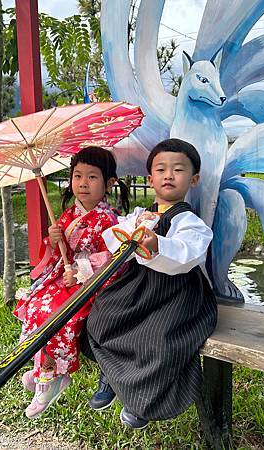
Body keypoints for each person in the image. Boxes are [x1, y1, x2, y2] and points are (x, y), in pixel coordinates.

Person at [85, 138, 217, 429]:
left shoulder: (190, 222)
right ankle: (110, 375)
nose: (169, 175)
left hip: (177, 293)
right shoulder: (139, 214)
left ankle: (143, 400)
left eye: (178, 169)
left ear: (193, 179)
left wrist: (157, 243)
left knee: (160, 338)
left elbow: (187, 254)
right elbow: (113, 236)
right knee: (101, 317)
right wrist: (136, 226)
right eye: (161, 169)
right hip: (140, 286)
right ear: (150, 178)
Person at [14, 146, 130, 419]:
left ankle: (54, 377)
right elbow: (58, 253)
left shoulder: (108, 219)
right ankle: (41, 367)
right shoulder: (68, 215)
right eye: (77, 176)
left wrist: (80, 270)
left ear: (109, 183)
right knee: (34, 305)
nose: (82, 183)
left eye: (92, 177)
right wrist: (54, 240)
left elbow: (113, 258)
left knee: (54, 314)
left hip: (88, 283)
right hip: (63, 277)